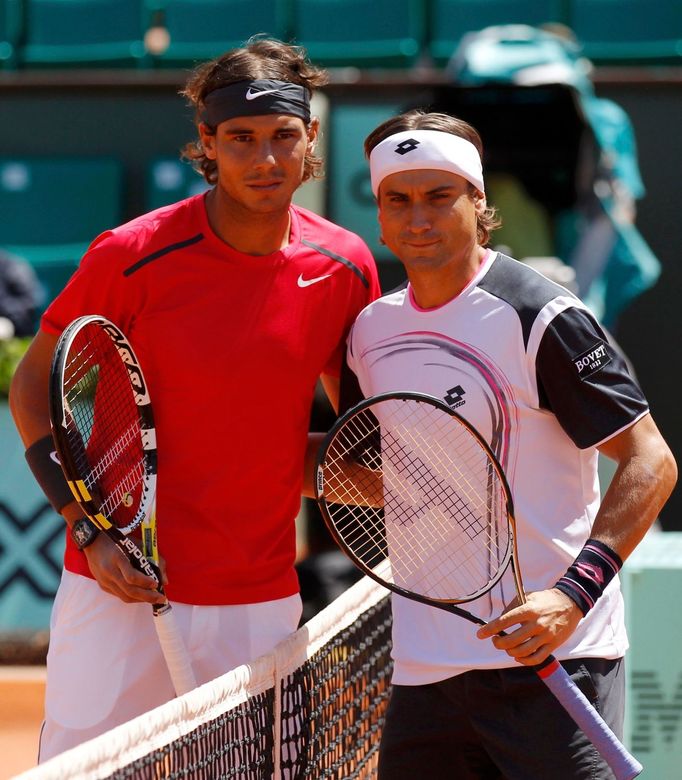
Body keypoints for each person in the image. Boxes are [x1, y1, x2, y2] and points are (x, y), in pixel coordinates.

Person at [9, 37, 380, 761]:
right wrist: (86, 528)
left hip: (259, 600)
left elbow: (352, 435)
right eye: (241, 139)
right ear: (207, 142)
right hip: (114, 589)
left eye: (283, 137)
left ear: (311, 141)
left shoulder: (345, 266)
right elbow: (34, 390)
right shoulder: (131, 254)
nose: (265, 159)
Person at [341, 109, 677, 779]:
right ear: (378, 214)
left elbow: (652, 459)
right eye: (398, 200)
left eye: (440, 196)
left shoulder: (541, 314)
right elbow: (366, 476)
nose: (419, 218)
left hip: (556, 655)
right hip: (426, 670)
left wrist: (570, 596)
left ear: (478, 201)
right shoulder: (369, 333)